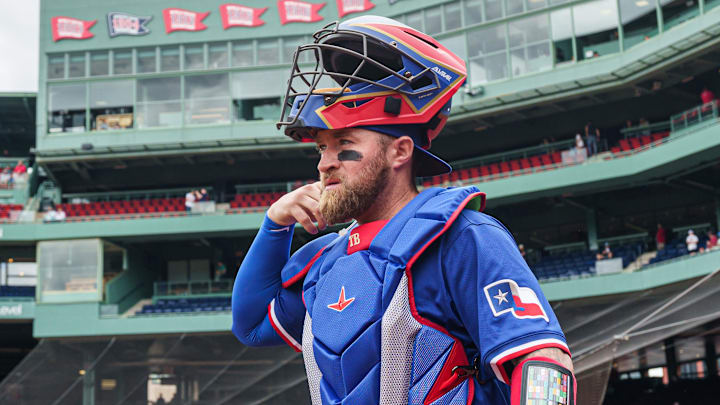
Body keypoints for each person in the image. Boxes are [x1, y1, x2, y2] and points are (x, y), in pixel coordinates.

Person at [231, 16, 574, 405]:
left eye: (344, 142)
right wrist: (274, 225)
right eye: (321, 148)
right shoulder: (324, 262)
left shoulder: (461, 237)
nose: (325, 163)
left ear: (400, 151)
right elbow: (252, 325)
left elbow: (544, 362)